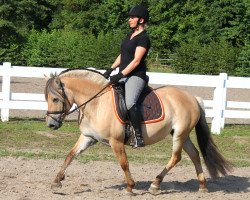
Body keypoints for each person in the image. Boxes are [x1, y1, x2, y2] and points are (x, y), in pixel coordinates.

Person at [103, 4, 151, 148]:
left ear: (141, 20)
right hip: (123, 75)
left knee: (130, 103)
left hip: (136, 75)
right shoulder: (129, 35)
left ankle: (138, 136)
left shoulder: (144, 38)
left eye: (132, 18)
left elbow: (136, 61)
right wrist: (110, 69)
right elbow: (122, 55)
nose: (129, 20)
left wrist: (121, 75)